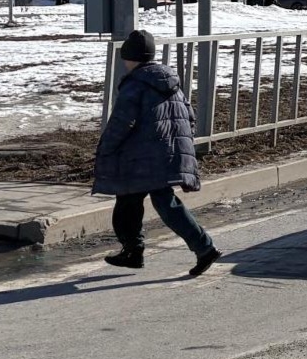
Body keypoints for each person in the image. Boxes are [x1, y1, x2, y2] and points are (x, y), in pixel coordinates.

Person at [94, 29, 221, 276]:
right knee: (140, 200)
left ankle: (201, 248)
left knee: (143, 201)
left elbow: (121, 122)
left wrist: (105, 149)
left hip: (145, 156)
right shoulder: (169, 81)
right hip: (165, 151)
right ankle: (135, 251)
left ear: (130, 57)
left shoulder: (135, 84)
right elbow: (189, 116)